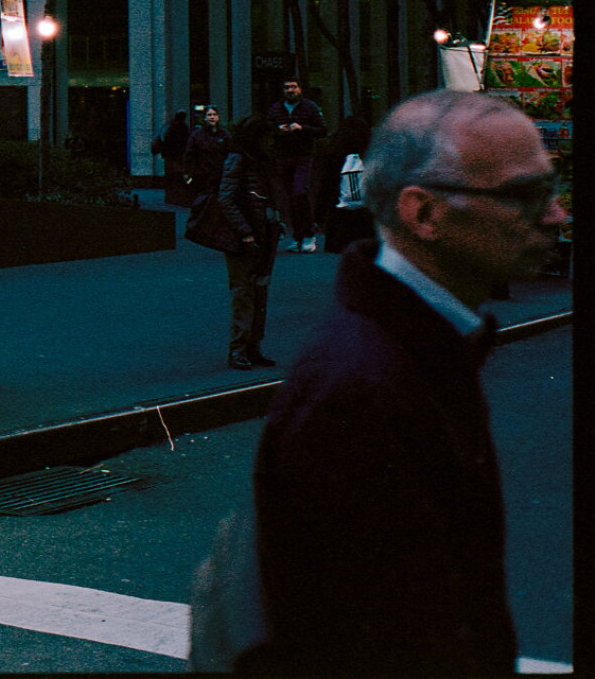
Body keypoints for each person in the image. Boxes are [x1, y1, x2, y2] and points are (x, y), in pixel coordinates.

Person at [252, 90, 563, 673]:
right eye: (524, 195)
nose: (556, 215)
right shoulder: (360, 394)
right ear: (423, 214)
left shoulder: (415, 349)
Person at [217, 115, 280, 371]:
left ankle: (251, 347)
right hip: (248, 235)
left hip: (262, 232)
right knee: (244, 291)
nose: (270, 141)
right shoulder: (240, 160)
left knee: (257, 290)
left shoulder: (258, 160)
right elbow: (226, 198)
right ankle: (240, 348)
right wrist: (245, 232)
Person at [265, 78, 327, 251]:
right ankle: (297, 236)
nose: (290, 90)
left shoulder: (310, 107)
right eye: (287, 87)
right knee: (290, 198)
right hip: (283, 157)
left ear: (300, 89)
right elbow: (267, 129)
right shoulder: (275, 109)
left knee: (300, 193)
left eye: (293, 87)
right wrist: (278, 130)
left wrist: (302, 128)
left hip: (303, 156)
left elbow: (322, 130)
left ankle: (309, 235)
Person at [315, 115, 375, 255]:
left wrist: (319, 215)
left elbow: (327, 186)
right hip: (366, 216)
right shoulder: (372, 155)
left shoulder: (335, 154)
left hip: (341, 217)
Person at [183, 105, 232, 201]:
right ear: (205, 118)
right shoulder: (197, 135)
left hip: (220, 175)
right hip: (202, 175)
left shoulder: (225, 135)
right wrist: (187, 172)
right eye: (209, 115)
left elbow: (229, 153)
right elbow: (189, 154)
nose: (212, 117)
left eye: (214, 115)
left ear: (218, 117)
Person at [159, 110, 198, 205]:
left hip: (171, 155)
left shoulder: (169, 125)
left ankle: (171, 197)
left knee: (172, 176)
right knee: (179, 176)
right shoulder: (182, 127)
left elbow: (165, 139)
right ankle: (178, 197)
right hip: (178, 155)